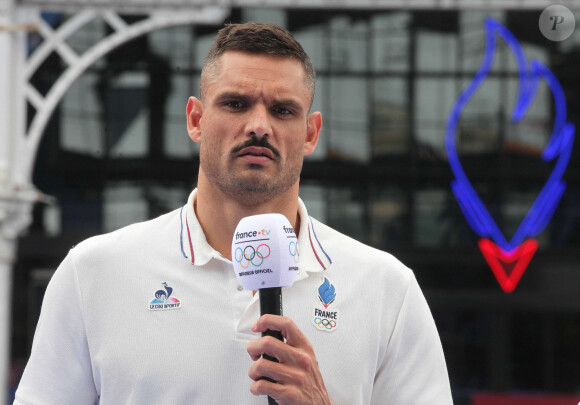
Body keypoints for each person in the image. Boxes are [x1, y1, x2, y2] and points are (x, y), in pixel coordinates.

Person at [14, 22, 453, 405]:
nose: (259, 125)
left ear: (310, 133)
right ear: (195, 120)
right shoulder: (94, 272)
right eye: (236, 103)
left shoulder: (386, 289)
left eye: (283, 110)